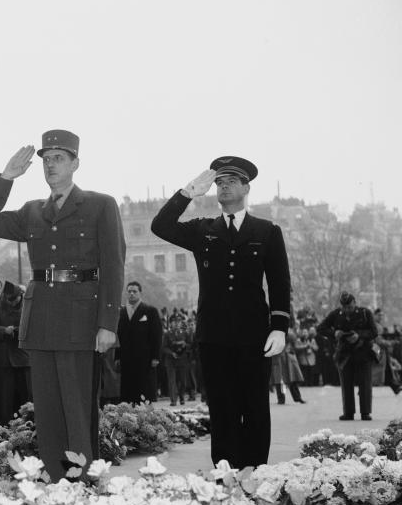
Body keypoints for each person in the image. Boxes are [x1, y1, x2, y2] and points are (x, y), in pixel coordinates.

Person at [0, 130, 125, 478]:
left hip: (80, 319)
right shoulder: (32, 212)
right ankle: (56, 481)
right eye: (46, 159)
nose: (50, 165)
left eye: (58, 158)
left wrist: (108, 324)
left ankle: (84, 481)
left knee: (76, 406)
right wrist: (5, 179)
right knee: (47, 408)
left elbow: (114, 266)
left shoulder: (101, 205)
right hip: (41, 319)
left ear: (75, 163)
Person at [152, 156, 290, 468]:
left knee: (255, 406)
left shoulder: (267, 231)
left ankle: (255, 472)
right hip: (213, 335)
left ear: (246, 186)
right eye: (218, 182)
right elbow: (160, 226)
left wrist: (279, 327)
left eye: (230, 181)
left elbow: (280, 283)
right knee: (222, 408)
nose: (223, 186)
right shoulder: (203, 230)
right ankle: (225, 476)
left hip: (254, 335)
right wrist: (186, 193)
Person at [316, 292, 378, 420]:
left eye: (349, 307)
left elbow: (374, 332)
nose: (347, 310)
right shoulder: (336, 314)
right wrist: (334, 333)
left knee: (365, 383)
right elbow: (321, 328)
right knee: (346, 384)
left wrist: (359, 335)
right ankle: (348, 412)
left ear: (355, 303)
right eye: (344, 307)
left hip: (363, 353)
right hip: (344, 354)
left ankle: (365, 412)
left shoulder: (365, 313)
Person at [0, 280, 32, 423]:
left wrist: (17, 330)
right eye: (8, 299)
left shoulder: (28, 306)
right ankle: (5, 429)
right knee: (4, 399)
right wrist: (4, 330)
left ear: (20, 296)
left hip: (23, 359)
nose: (11, 302)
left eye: (14, 299)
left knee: (27, 399)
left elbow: (33, 326)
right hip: (4, 360)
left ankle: (29, 426)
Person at [116, 281, 162, 404]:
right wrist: (117, 357)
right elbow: (118, 336)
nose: (131, 294)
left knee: (144, 392)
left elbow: (156, 335)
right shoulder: (121, 312)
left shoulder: (150, 311)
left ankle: (145, 418)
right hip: (126, 359)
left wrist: (155, 357)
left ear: (140, 293)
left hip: (145, 359)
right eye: (129, 291)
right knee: (127, 392)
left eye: (134, 291)